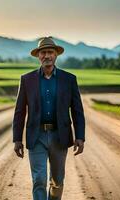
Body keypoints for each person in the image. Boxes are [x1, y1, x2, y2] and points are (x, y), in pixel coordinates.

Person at [12, 36, 85, 200]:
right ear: (38, 56)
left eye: (50, 52)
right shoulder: (27, 80)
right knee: (39, 179)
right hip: (36, 136)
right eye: (43, 52)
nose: (47, 56)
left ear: (56, 55)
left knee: (57, 181)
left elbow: (77, 110)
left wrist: (80, 136)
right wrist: (17, 139)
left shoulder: (69, 79)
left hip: (60, 136)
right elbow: (19, 111)